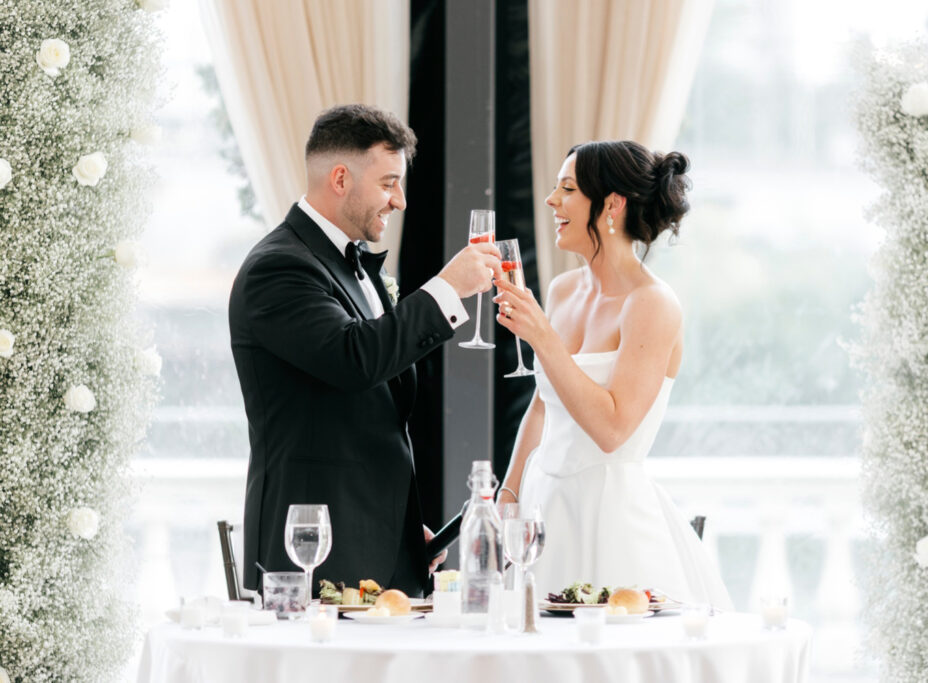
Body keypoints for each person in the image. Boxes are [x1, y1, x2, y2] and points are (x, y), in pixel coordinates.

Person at [229, 104, 500, 598]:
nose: (399, 201)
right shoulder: (279, 269)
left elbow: (372, 408)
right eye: (388, 183)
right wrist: (446, 288)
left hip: (373, 542)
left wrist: (396, 526)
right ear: (339, 178)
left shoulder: (344, 263)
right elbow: (356, 360)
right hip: (311, 550)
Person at [493, 140, 732, 609]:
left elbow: (613, 430)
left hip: (609, 515)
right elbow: (543, 404)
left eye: (567, 189)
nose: (551, 201)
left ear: (612, 205)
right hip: (544, 510)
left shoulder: (652, 304)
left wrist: (542, 337)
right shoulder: (562, 291)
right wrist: (511, 488)